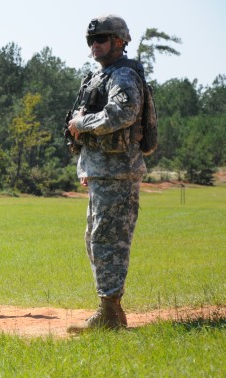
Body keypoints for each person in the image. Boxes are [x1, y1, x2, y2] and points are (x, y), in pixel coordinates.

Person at [66, 14, 147, 333]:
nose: (95, 44)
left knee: (108, 240)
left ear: (120, 41)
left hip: (118, 172)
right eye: (91, 40)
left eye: (101, 38)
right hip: (102, 171)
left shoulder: (123, 76)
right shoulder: (103, 75)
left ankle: (109, 314)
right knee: (96, 239)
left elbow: (122, 113)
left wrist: (80, 123)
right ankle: (112, 310)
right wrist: (85, 167)